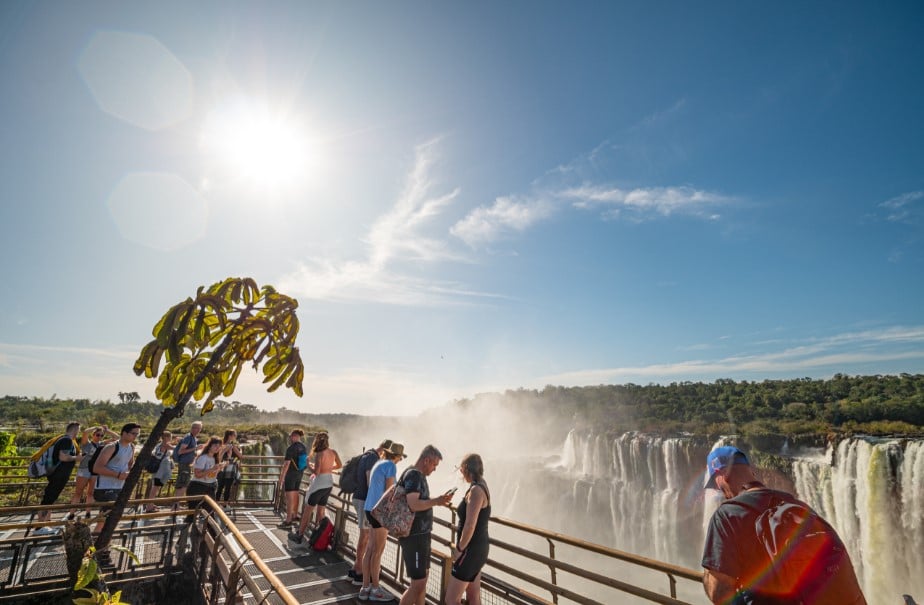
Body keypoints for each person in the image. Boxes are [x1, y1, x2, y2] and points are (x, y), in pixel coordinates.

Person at [701, 446, 867, 605]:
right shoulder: (797, 505)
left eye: (716, 484)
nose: (720, 490)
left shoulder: (727, 516)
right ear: (751, 472)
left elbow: (720, 593)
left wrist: (708, 576)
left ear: (722, 476)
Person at [397, 445, 453, 605]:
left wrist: (438, 500)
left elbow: (417, 501)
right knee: (418, 583)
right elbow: (413, 504)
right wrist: (437, 501)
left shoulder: (417, 475)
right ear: (426, 460)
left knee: (422, 580)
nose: (435, 469)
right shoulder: (414, 475)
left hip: (421, 536)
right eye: (434, 465)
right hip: (414, 537)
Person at [358, 442, 406, 602]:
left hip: (369, 508)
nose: (400, 460)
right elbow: (389, 492)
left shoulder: (379, 463)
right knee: (377, 551)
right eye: (400, 457)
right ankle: (376, 589)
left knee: (370, 549)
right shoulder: (391, 466)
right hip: (380, 512)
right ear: (397, 456)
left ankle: (365, 588)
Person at [445, 453, 491, 605]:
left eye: (461, 469)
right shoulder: (480, 484)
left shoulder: (476, 491)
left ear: (466, 468)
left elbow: (470, 525)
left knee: (451, 599)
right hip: (477, 550)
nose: (460, 473)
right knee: (473, 597)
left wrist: (460, 548)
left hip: (470, 551)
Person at [349, 438, 393, 586]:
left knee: (366, 535)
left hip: (359, 498)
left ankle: (356, 568)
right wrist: (376, 503)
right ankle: (359, 572)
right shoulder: (373, 458)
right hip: (364, 500)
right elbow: (369, 481)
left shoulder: (368, 455)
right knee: (366, 535)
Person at [290, 432, 342, 544]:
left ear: (317, 441)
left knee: (307, 511)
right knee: (320, 511)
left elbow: (316, 472)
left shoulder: (319, 454)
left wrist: (308, 464)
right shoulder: (333, 452)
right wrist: (328, 468)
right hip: (329, 484)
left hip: (318, 485)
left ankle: (299, 535)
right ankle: (317, 536)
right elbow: (339, 465)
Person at [92, 423, 141, 533]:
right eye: (134, 434)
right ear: (124, 433)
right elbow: (97, 468)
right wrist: (118, 475)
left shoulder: (131, 447)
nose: (135, 437)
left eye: (137, 434)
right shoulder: (111, 447)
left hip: (119, 486)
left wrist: (130, 472)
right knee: (106, 520)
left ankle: (101, 545)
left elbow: (129, 464)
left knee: (110, 520)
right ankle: (96, 547)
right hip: (105, 487)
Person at [34, 422, 82, 534]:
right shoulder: (67, 440)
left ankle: (44, 524)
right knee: (48, 498)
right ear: (75, 430)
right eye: (78, 430)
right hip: (58, 474)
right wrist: (77, 457)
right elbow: (63, 457)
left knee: (50, 497)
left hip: (56, 473)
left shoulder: (61, 439)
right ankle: (39, 527)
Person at [68, 424, 117, 520]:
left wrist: (107, 430)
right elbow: (85, 431)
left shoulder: (102, 444)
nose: (99, 437)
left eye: (101, 435)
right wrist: (96, 427)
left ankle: (88, 513)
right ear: (93, 435)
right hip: (84, 470)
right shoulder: (87, 444)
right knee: (78, 492)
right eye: (97, 435)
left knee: (90, 493)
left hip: (94, 471)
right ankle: (71, 513)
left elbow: (116, 438)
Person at [185, 436, 227, 522]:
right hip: (198, 487)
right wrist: (212, 469)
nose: (217, 448)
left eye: (219, 446)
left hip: (210, 486)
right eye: (215, 445)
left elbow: (212, 474)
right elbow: (198, 474)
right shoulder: (203, 458)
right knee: (192, 514)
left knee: (210, 512)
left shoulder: (215, 458)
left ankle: (211, 533)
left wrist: (219, 468)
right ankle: (186, 532)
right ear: (210, 445)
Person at [277, 429, 307, 529]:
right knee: (295, 494)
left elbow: (286, 464)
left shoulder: (291, 448)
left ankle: (288, 520)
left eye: (291, 436)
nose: (290, 438)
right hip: (299, 474)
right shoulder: (303, 447)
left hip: (291, 474)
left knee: (289, 497)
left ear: (294, 436)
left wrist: (281, 478)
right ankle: (295, 515)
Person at [144, 430, 175, 512]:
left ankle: (150, 504)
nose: (171, 439)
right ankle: (149, 506)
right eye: (170, 437)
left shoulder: (159, 445)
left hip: (158, 470)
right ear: (166, 437)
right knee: (155, 487)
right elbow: (175, 449)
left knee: (155, 487)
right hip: (161, 470)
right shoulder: (165, 445)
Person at [173, 421, 203, 501]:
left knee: (183, 483)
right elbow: (181, 451)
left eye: (199, 428)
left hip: (187, 464)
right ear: (192, 428)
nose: (198, 430)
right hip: (184, 464)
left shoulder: (192, 438)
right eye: (196, 428)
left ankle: (177, 504)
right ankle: (176, 505)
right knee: (183, 484)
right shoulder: (189, 437)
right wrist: (195, 448)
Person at [216, 429, 244, 511]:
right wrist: (241, 450)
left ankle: (216, 505)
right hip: (230, 469)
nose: (236, 437)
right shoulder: (232, 446)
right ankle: (225, 506)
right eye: (234, 435)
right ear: (230, 436)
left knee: (220, 487)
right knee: (227, 487)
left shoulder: (221, 444)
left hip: (220, 468)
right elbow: (241, 456)